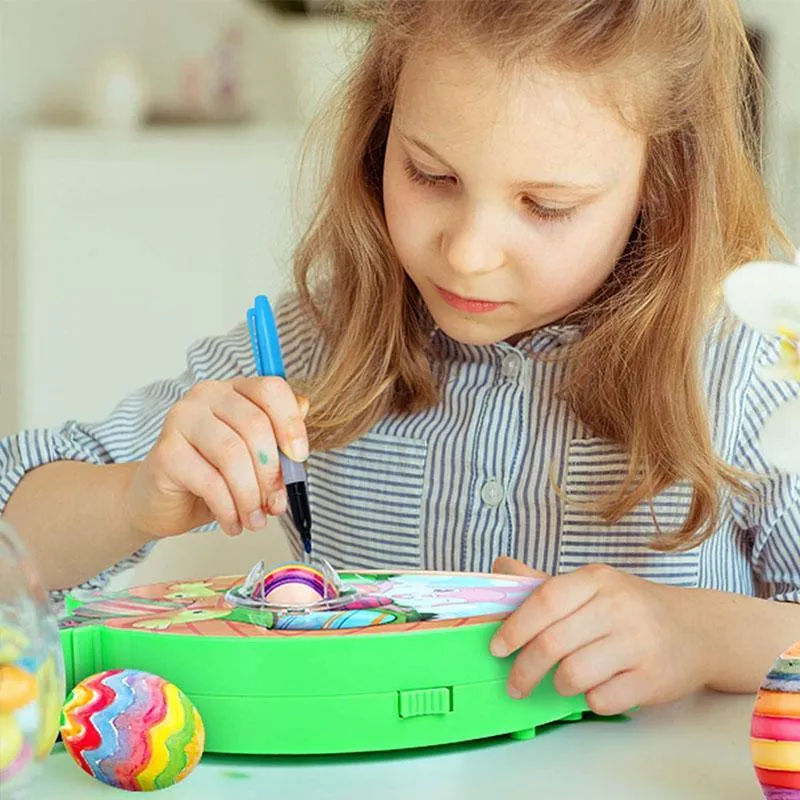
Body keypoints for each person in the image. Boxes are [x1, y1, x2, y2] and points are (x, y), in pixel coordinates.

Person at [2, 0, 799, 715]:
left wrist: (703, 637)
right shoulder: (312, 346)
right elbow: (14, 529)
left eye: (545, 206)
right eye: (431, 174)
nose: (470, 251)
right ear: (381, 135)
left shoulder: (751, 366)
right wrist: (135, 500)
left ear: (661, 183)